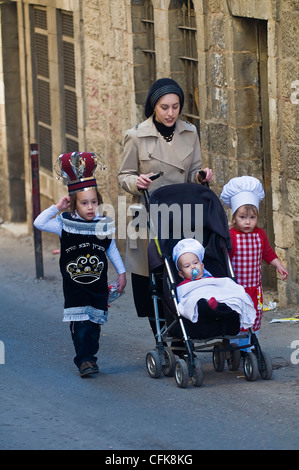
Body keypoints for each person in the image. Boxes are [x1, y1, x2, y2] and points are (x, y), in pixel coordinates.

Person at [118, 78, 213, 336]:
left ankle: (185, 336)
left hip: (182, 213)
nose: (171, 113)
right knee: (152, 277)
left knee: (183, 272)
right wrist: (134, 181)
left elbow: (194, 170)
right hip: (147, 213)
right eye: (164, 107)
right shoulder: (135, 136)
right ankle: (161, 334)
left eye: (175, 106)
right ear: (153, 107)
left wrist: (201, 176)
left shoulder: (190, 133)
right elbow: (123, 175)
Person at [34, 152, 126, 377]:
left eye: (94, 202)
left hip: (97, 285)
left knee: (94, 325)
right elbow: (39, 222)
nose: (90, 207)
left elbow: (110, 248)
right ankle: (83, 360)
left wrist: (122, 273)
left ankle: (91, 358)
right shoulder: (64, 224)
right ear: (74, 204)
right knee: (81, 325)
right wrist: (57, 207)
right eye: (84, 203)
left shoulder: (102, 225)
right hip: (75, 287)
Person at [220, 176, 288, 346]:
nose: (248, 222)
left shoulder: (260, 234)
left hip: (255, 287)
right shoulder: (231, 236)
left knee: (255, 314)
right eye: (243, 217)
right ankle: (238, 344)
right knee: (238, 314)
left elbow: (267, 253)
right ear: (234, 217)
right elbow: (224, 258)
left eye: (252, 217)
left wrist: (278, 265)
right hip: (237, 287)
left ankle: (251, 341)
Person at [172, 239, 256, 339]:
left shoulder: (210, 279)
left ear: (202, 266)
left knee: (234, 296)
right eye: (187, 266)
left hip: (214, 297)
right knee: (197, 303)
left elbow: (222, 286)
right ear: (181, 274)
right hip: (200, 304)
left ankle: (223, 306)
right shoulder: (184, 286)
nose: (193, 267)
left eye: (195, 263)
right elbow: (183, 299)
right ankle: (212, 305)